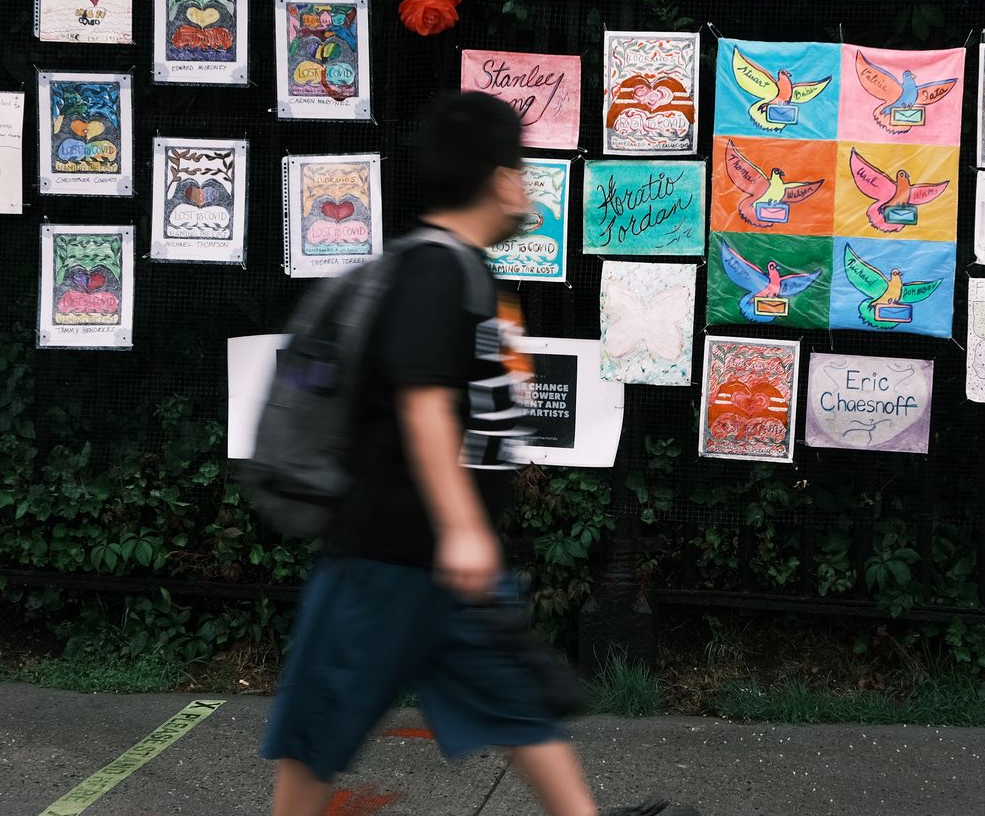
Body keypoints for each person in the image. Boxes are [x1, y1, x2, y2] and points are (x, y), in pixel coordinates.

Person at [261, 91, 695, 816]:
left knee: (518, 704)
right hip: (388, 560)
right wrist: (462, 530)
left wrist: (469, 542)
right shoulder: (435, 271)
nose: (524, 186)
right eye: (520, 170)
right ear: (497, 179)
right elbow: (423, 400)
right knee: (321, 727)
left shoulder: (459, 270)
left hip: (448, 572)